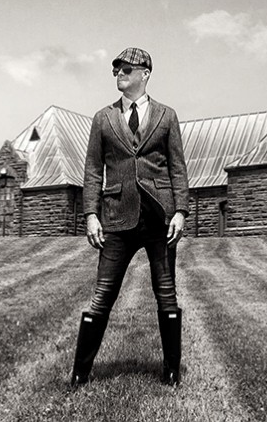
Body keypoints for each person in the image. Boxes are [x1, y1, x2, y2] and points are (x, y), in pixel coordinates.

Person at [70, 47, 190, 388]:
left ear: (145, 73)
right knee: (101, 295)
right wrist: (91, 215)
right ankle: (80, 374)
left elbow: (178, 168)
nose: (119, 73)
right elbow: (93, 171)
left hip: (159, 220)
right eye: (116, 69)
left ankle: (171, 373)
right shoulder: (102, 118)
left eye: (126, 68)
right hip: (117, 220)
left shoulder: (166, 116)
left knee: (166, 294)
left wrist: (180, 210)